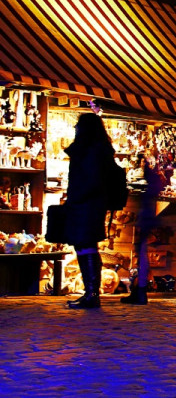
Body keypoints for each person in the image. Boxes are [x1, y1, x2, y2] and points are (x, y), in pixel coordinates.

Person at [63, 113, 115, 309]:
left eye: (78, 125)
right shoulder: (98, 150)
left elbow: (91, 180)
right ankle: (90, 292)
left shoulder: (90, 151)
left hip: (86, 203)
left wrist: (77, 198)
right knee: (85, 245)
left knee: (86, 245)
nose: (75, 128)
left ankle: (92, 293)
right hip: (90, 203)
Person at [122, 150, 165, 305]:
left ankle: (140, 291)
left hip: (146, 219)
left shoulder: (151, 179)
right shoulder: (153, 179)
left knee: (142, 254)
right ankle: (139, 291)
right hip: (147, 218)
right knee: (141, 254)